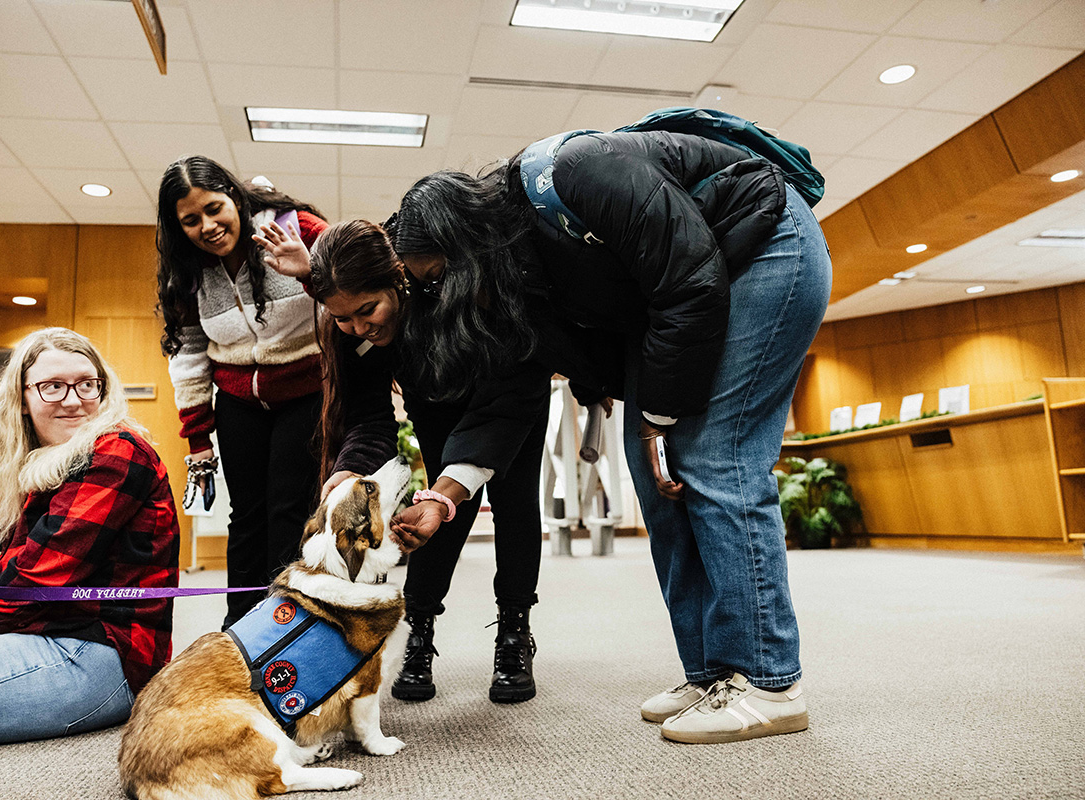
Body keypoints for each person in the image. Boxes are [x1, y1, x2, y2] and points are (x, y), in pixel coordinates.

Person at [326, 127, 832, 744]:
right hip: (684, 298)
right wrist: (444, 496)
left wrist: (660, 418)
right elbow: (506, 404)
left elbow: (691, 281)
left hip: (763, 249)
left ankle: (770, 680)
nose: (433, 294)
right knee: (653, 474)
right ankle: (713, 673)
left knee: (712, 459)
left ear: (468, 247)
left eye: (435, 279)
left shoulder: (578, 172)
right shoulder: (514, 288)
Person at [284, 219, 551, 703]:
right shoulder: (350, 331)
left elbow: (512, 379)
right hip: (436, 401)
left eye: (368, 310)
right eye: (344, 318)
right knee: (436, 513)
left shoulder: (450, 296)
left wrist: (462, 474)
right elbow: (369, 418)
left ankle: (514, 633)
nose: (359, 327)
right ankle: (419, 633)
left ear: (399, 279)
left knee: (515, 505)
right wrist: (349, 470)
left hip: (507, 397)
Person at [0, 327, 180, 750]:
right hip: (31, 633)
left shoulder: (116, 450)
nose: (74, 399)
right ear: (23, 398)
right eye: (53, 386)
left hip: (95, 656)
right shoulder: (28, 465)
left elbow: (29, 587)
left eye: (86, 384)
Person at [156, 155, 328, 629]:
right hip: (238, 400)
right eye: (191, 220)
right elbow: (189, 356)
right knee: (246, 516)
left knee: (290, 508)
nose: (208, 226)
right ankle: (242, 627)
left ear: (235, 197)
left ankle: (289, 621)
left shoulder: (294, 227)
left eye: (215, 209)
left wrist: (309, 271)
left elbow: (348, 292)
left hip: (304, 391)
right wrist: (197, 442)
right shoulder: (189, 271)